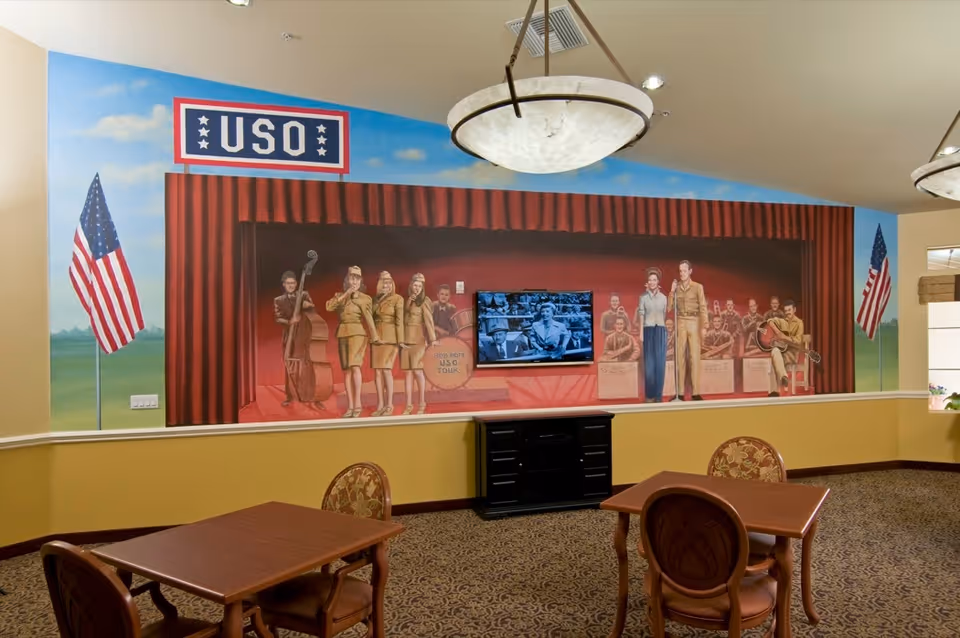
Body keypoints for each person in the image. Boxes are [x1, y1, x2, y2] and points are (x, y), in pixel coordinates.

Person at [325, 266, 380, 418]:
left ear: (360, 281)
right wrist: (346, 295)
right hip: (343, 333)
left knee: (355, 367)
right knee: (347, 371)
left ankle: (357, 405)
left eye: (357, 278)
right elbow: (329, 307)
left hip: (358, 334)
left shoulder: (365, 298)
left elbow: (368, 318)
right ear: (347, 279)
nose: (354, 280)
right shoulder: (339, 296)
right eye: (352, 277)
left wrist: (374, 336)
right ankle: (350, 406)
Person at [273, 270, 321, 409]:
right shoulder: (278, 300)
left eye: (293, 283)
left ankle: (312, 397)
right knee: (290, 365)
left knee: (308, 365)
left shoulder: (304, 295)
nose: (291, 285)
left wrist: (308, 306)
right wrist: (290, 321)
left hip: (304, 335)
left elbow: (313, 311)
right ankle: (291, 396)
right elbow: (278, 317)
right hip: (290, 336)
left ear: (296, 283)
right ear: (284, 285)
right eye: (288, 283)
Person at [668, 260, 708, 400]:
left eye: (684, 271)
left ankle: (696, 393)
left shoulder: (698, 287)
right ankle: (680, 393)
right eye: (680, 271)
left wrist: (704, 326)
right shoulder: (677, 287)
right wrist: (671, 291)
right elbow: (669, 308)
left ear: (690, 271)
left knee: (694, 358)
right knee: (680, 358)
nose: (682, 274)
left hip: (694, 322)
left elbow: (703, 307)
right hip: (681, 321)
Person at [401, 273, 439, 415]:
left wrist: (433, 339)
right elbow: (401, 322)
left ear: (422, 288)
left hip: (418, 340)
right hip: (406, 342)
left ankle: (422, 402)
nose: (416, 288)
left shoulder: (425, 301)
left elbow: (429, 322)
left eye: (419, 286)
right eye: (414, 285)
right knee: (408, 374)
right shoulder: (407, 301)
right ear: (411, 286)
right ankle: (409, 405)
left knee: (417, 371)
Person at [370, 271, 404, 417]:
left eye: (389, 282)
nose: (387, 285)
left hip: (390, 338)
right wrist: (379, 298)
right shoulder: (375, 300)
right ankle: (380, 405)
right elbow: (370, 316)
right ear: (380, 284)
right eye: (384, 282)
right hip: (377, 337)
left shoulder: (398, 299)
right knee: (377, 372)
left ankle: (389, 404)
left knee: (386, 370)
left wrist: (400, 340)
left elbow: (399, 320)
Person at [760, 299, 804, 397]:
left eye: (789, 310)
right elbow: (770, 320)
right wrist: (777, 331)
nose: (787, 312)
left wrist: (784, 337)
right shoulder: (783, 321)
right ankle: (783, 377)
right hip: (782, 353)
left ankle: (774, 391)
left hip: (792, 354)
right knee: (775, 351)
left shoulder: (799, 323)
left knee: (773, 362)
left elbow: (798, 342)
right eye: (786, 310)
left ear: (794, 310)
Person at [637, 267, 668, 402]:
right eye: (650, 280)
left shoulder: (664, 298)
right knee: (649, 365)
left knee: (660, 364)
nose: (652, 282)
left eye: (654, 280)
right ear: (647, 282)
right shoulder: (643, 298)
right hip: (648, 330)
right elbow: (641, 315)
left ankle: (658, 396)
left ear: (658, 282)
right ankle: (649, 395)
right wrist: (641, 333)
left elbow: (664, 314)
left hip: (661, 330)